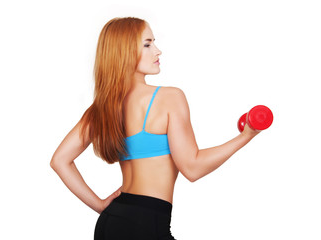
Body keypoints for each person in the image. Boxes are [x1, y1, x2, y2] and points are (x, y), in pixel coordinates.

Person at [50, 17, 261, 240]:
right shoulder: (169, 97)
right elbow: (193, 167)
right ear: (124, 51)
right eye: (148, 44)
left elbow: (59, 160)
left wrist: (101, 206)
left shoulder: (102, 108)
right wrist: (246, 136)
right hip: (146, 224)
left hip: (112, 222)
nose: (158, 51)